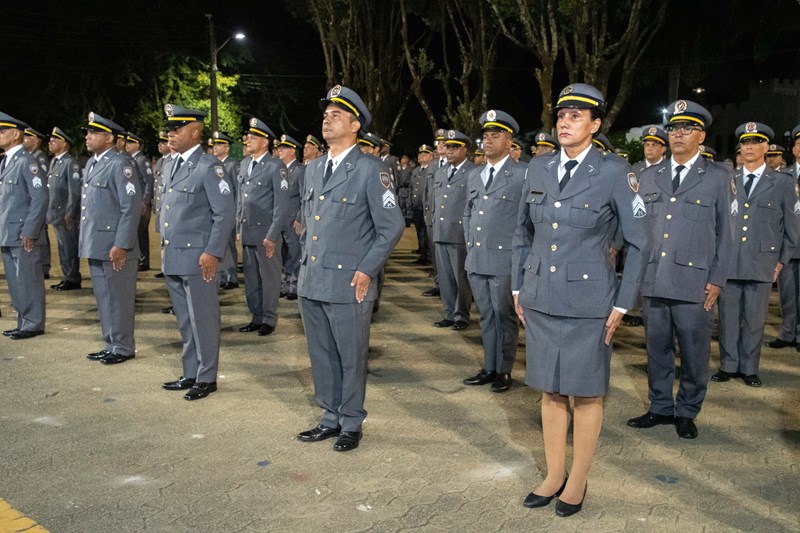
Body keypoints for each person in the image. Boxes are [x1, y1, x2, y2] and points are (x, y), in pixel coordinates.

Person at [512, 84, 649, 517]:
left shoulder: (614, 171)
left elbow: (640, 242)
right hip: (541, 298)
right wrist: (519, 287)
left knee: (586, 394)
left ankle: (578, 479)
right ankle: (554, 474)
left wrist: (623, 304)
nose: (565, 121)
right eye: (562, 114)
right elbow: (521, 232)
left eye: (576, 115)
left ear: (595, 125)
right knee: (550, 390)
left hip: (590, 302)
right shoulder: (538, 167)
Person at [296, 85, 404, 452]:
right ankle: (329, 416)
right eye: (326, 114)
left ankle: (351, 421)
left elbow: (391, 227)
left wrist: (366, 270)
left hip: (348, 281)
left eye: (336, 115)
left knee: (351, 355)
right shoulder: (311, 169)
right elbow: (308, 223)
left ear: (355, 124)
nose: (327, 119)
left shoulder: (371, 170)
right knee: (321, 355)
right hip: (312, 279)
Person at [627, 99, 734, 439]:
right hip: (654, 279)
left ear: (701, 136)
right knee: (656, 348)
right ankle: (660, 407)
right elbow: (638, 229)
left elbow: (727, 236)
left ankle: (687, 410)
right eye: (673, 128)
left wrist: (718, 279)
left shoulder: (718, 177)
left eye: (686, 128)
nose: (677, 135)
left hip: (694, 282)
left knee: (693, 351)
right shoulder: (648, 176)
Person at [159, 104, 235, 400]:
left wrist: (213, 252)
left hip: (199, 258)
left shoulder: (209, 167)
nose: (170, 134)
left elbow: (224, 213)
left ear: (194, 131)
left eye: (176, 129)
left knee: (203, 318)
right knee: (184, 318)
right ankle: (190, 371)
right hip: (174, 255)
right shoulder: (170, 164)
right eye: (169, 129)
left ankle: (206, 377)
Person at [714, 122, 798, 387]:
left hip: (763, 261)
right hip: (729, 260)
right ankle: (728, 365)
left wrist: (782, 261)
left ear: (765, 147)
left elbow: (792, 228)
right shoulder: (728, 180)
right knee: (727, 317)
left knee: (754, 319)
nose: (749, 147)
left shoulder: (782, 183)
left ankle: (749, 367)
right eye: (745, 143)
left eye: (755, 142)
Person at [462, 110, 526, 393]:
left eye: (495, 135)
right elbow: (468, 214)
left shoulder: (522, 175)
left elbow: (527, 222)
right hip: (477, 258)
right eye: (486, 135)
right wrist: (470, 244)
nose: (488, 140)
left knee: (504, 315)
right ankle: (489, 366)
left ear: (509, 140)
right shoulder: (475, 175)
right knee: (486, 315)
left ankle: (504, 369)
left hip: (505, 259)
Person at [80, 112, 142, 362]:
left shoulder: (120, 164)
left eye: (93, 133)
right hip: (96, 243)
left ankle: (124, 347)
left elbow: (131, 206)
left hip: (114, 246)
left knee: (119, 299)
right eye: (88, 132)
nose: (87, 136)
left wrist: (122, 244)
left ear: (108, 138)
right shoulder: (92, 163)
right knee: (104, 298)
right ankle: (110, 343)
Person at [236, 117, 291, 336]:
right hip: (248, 231)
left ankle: (269, 317)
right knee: (251, 278)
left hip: (267, 233)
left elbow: (282, 206)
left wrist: (273, 235)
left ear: (265, 141)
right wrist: (238, 227)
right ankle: (256, 316)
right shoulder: (244, 164)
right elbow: (242, 199)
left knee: (269, 278)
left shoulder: (275, 166)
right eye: (248, 136)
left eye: (253, 137)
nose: (247, 140)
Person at [0, 112, 48, 340]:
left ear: (16, 134)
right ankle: (23, 320)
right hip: (7, 233)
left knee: (28, 279)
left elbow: (39, 198)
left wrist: (30, 230)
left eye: (2, 131)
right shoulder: (7, 161)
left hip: (22, 234)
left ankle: (33, 323)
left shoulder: (27, 162)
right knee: (16, 281)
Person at [432, 129, 475, 331]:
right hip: (441, 232)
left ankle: (461, 315)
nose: (449, 151)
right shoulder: (440, 172)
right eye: (447, 147)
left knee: (461, 279)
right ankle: (449, 313)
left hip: (459, 234)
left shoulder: (473, 172)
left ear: (465, 149)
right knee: (445, 278)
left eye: (455, 147)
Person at [771, 124, 800, 350]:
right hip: (789, 245)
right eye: (798, 143)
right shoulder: (784, 176)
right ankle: (788, 332)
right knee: (787, 293)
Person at [46, 127, 82, 291]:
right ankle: (67, 275)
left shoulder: (70, 163)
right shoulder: (55, 162)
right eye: (50, 140)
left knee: (69, 247)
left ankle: (73, 278)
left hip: (65, 214)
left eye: (55, 140)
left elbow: (74, 191)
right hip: (56, 213)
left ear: (65, 144)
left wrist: (70, 213)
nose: (50, 143)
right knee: (62, 247)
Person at [276, 133, 305, 300]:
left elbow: (303, 198)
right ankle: (285, 284)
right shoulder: (280, 171)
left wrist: (300, 218)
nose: (280, 150)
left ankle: (294, 286)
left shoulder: (299, 171)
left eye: (284, 148)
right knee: (283, 255)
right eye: (279, 148)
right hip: (280, 220)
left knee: (295, 254)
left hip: (293, 220)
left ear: (292, 151)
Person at [211, 130, 241, 290]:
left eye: (219, 145)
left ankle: (232, 276)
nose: (215, 148)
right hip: (217, 213)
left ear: (227, 147)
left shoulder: (232, 165)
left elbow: (237, 192)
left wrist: (235, 214)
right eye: (214, 145)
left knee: (228, 245)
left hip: (228, 212)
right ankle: (222, 275)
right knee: (218, 244)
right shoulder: (214, 164)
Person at [125, 132, 155, 272]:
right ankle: (139, 258)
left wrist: (145, 201)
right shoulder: (130, 160)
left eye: (130, 143)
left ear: (138, 145)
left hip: (142, 203)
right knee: (136, 232)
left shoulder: (142, 160)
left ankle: (144, 260)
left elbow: (149, 181)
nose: (127, 145)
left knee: (141, 232)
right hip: (135, 202)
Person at [410, 144, 434, 266]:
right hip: (417, 207)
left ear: (431, 156)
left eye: (425, 154)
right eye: (420, 154)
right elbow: (412, 188)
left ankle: (428, 257)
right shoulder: (416, 171)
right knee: (419, 232)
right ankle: (423, 253)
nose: (421, 156)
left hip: (427, 207)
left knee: (427, 233)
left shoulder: (433, 170)